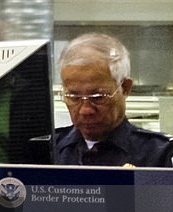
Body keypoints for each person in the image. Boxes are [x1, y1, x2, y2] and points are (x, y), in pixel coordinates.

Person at [53, 33, 173, 167]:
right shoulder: (47, 152)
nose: (85, 110)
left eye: (98, 97)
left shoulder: (160, 155)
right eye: (74, 97)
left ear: (125, 88)